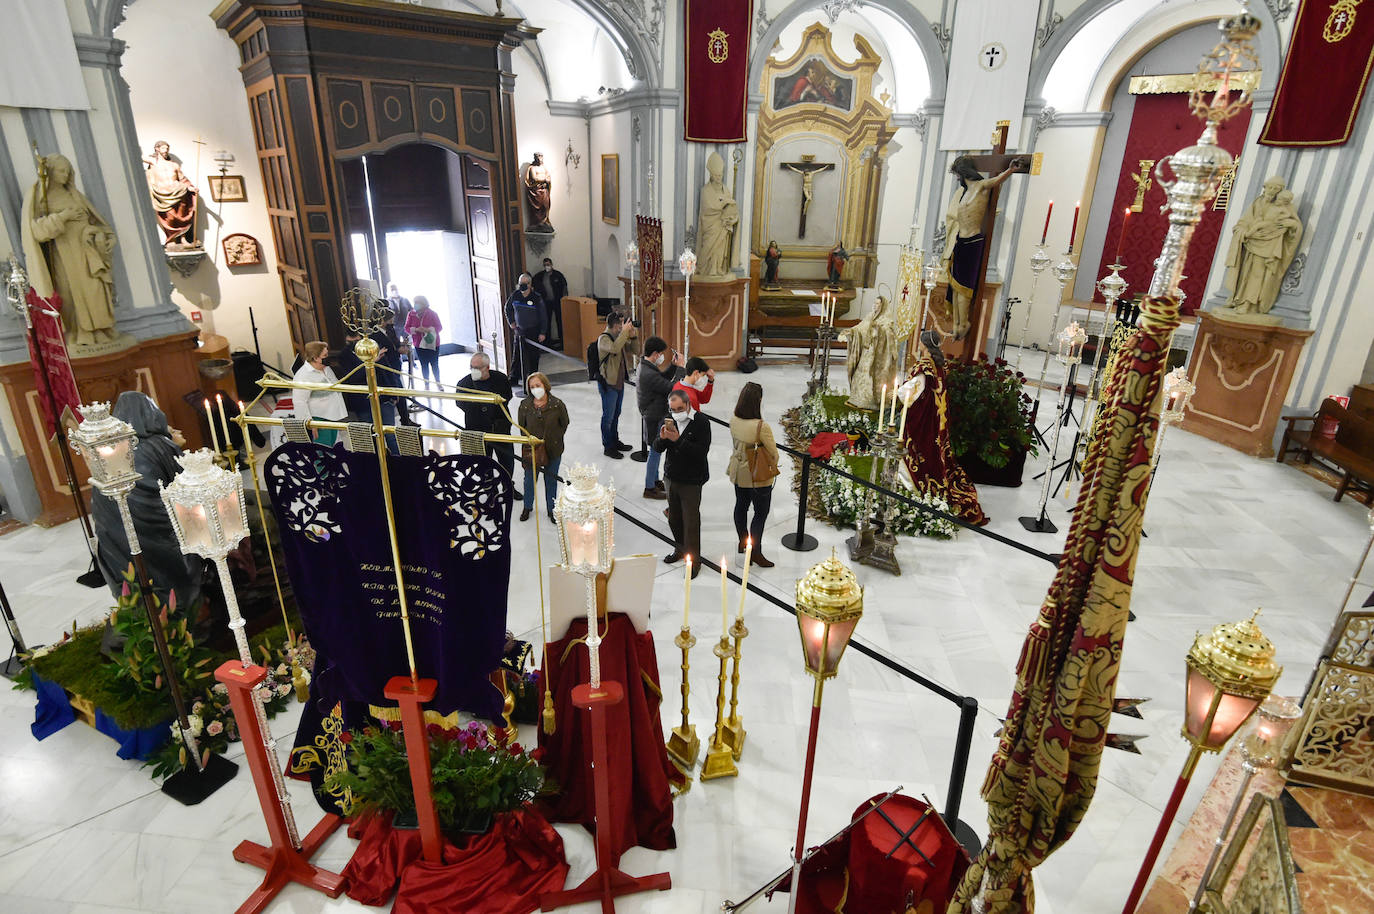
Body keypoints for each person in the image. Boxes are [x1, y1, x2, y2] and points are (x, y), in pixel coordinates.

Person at [90, 391, 204, 614]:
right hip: (160, 535)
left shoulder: (109, 452)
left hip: (115, 543)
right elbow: (189, 491)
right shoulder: (159, 444)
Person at [22, 153, 120, 349]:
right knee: (74, 295)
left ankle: (102, 331)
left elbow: (95, 221)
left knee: (96, 291)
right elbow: (38, 231)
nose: (66, 174)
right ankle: (83, 334)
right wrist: (63, 217)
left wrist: (107, 237)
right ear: (49, 171)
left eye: (68, 170)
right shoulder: (40, 198)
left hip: (89, 253)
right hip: (66, 255)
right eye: (61, 170)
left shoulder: (74, 194)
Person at [896, 330, 987, 526]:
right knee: (934, 453)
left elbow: (909, 394)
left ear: (924, 345)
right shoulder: (939, 366)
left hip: (922, 423)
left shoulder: (923, 369)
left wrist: (898, 391)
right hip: (937, 422)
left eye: (921, 342)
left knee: (916, 453)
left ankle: (912, 488)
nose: (919, 345)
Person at [942, 156, 1025, 338]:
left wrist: (1010, 170)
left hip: (972, 242)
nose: (957, 178)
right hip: (960, 242)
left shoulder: (980, 186)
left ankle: (964, 323)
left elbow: (997, 180)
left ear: (963, 172)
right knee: (955, 287)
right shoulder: (964, 193)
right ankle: (956, 323)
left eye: (957, 174)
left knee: (963, 287)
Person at [654, 389, 711, 577]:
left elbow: (700, 453)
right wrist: (662, 439)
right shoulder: (668, 419)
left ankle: (694, 560)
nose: (676, 411)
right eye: (673, 408)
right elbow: (657, 447)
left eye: (680, 408)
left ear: (688, 405)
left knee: (691, 522)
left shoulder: (701, 423)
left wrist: (678, 440)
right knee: (674, 518)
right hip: (671, 477)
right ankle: (680, 549)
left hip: (691, 481)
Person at [725, 382, 779, 568]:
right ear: (759, 401)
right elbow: (772, 452)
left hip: (738, 471)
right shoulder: (761, 426)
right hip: (757, 476)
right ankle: (755, 552)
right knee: (760, 513)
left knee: (740, 506)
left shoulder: (734, 419)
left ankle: (743, 540)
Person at [516, 372, 569, 523]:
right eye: (532, 387)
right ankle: (527, 506)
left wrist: (554, 438)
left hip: (553, 449)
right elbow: (522, 427)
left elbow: (564, 423)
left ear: (545, 385)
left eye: (538, 386)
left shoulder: (557, 404)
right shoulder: (525, 405)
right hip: (531, 450)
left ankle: (551, 510)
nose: (535, 389)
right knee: (529, 480)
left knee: (551, 480)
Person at [636, 336, 684, 499]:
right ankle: (649, 487)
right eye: (661, 354)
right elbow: (671, 388)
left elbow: (661, 379)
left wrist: (673, 366)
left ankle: (655, 481)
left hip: (653, 413)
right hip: (654, 416)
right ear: (655, 354)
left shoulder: (645, 365)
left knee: (654, 451)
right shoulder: (648, 373)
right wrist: (681, 370)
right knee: (655, 452)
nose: (662, 357)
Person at [458, 351, 516, 483]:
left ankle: (508, 485)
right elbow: (460, 403)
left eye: (477, 368)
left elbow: (507, 397)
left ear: (487, 367)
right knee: (483, 462)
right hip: (477, 429)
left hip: (500, 428)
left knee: (507, 460)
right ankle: (488, 487)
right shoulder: (464, 384)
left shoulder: (500, 379)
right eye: (471, 367)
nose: (474, 371)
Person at [595, 311, 638, 459]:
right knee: (608, 416)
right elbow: (614, 348)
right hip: (608, 383)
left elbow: (636, 351)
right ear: (615, 325)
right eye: (621, 324)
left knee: (616, 414)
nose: (623, 326)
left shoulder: (620, 337)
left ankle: (615, 441)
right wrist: (625, 334)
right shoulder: (604, 339)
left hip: (619, 382)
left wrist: (632, 335)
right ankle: (608, 446)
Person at [142, 141, 197, 248]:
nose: (166, 150)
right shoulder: (154, 161)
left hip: (179, 191)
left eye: (167, 148)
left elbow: (182, 179)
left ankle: (183, 238)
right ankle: (171, 239)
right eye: (163, 148)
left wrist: (191, 187)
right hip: (163, 194)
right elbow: (138, 156)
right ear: (157, 149)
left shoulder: (174, 165)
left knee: (182, 216)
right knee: (169, 217)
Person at [292, 341, 347, 446]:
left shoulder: (326, 368)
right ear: (315, 358)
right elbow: (299, 401)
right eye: (325, 355)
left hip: (332, 415)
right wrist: (310, 423)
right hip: (319, 418)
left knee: (336, 447)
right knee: (323, 451)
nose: (328, 357)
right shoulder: (303, 375)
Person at [504, 272, 549, 383]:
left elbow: (543, 316)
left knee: (533, 356)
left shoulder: (536, 298)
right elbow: (507, 309)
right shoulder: (515, 295)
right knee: (517, 355)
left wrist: (543, 332)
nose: (522, 285)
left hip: (534, 330)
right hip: (520, 330)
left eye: (524, 283)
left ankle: (533, 377)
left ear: (529, 284)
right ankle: (514, 377)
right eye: (520, 283)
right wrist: (512, 322)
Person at [404, 295, 442, 388]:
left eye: (418, 303)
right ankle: (426, 384)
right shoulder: (411, 314)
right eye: (415, 302)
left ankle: (438, 383)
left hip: (432, 343)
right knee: (424, 365)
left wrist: (428, 329)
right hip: (418, 344)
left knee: (434, 364)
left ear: (424, 304)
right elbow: (406, 328)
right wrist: (416, 330)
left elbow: (439, 327)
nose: (416, 305)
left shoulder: (432, 313)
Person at [536, 257, 568, 347]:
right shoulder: (541, 276)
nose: (547, 266)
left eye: (548, 264)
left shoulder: (558, 275)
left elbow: (564, 286)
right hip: (547, 303)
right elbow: (534, 282)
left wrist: (564, 298)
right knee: (547, 322)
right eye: (545, 265)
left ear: (551, 264)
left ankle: (563, 342)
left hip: (557, 302)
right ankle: (547, 343)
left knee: (560, 321)